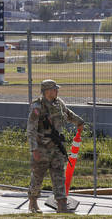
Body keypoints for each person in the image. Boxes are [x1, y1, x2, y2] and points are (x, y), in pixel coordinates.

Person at [27, 79, 84, 213]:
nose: (57, 91)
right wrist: (34, 148)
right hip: (42, 148)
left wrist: (79, 122)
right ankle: (33, 202)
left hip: (56, 147)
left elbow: (68, 114)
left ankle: (62, 204)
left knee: (59, 175)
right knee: (38, 176)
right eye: (54, 89)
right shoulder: (37, 107)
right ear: (47, 91)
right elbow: (31, 129)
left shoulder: (59, 103)